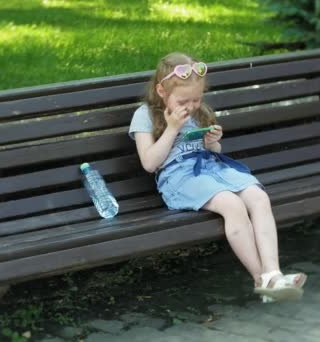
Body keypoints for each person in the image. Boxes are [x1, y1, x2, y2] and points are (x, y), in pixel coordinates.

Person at [128, 52, 307, 303]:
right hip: (178, 179)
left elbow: (213, 152)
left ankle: (273, 273)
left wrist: (213, 143)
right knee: (233, 205)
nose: (191, 106)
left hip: (210, 168)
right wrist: (172, 129)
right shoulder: (145, 115)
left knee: (258, 197)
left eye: (197, 99)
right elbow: (149, 163)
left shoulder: (199, 111)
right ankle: (260, 279)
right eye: (184, 101)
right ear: (161, 91)